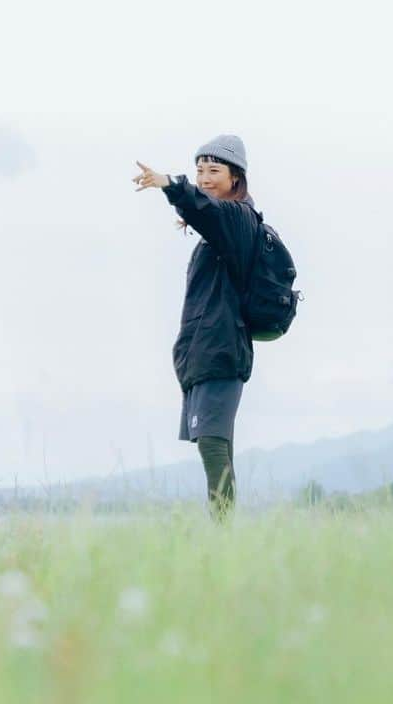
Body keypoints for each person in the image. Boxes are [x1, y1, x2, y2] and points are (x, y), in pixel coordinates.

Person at [132, 134, 262, 520]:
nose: (204, 177)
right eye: (199, 170)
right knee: (214, 441)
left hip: (221, 352)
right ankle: (224, 534)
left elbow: (207, 210)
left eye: (214, 170)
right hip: (209, 352)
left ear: (235, 177)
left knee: (212, 442)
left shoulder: (238, 217)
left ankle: (222, 535)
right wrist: (194, 214)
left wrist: (172, 185)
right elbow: (206, 213)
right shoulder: (224, 222)